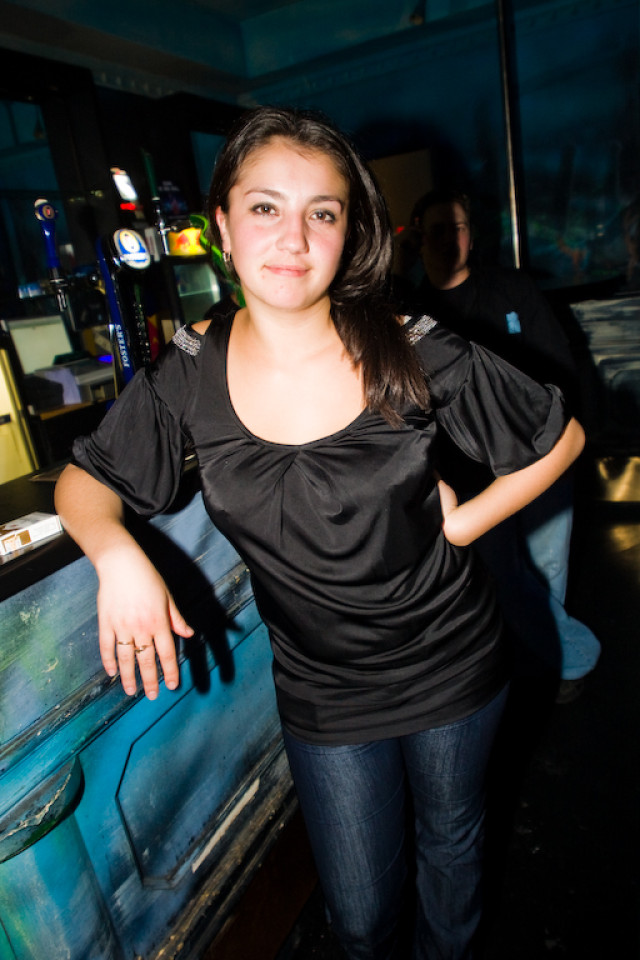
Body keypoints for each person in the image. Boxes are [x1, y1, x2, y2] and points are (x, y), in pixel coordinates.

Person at [55, 107, 585, 960]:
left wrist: (466, 521)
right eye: (265, 207)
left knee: (451, 855)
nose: (293, 238)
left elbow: (558, 437)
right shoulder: (192, 366)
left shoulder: (407, 344)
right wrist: (117, 555)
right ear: (222, 225)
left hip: (451, 661)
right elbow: (85, 480)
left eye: (322, 213)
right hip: (323, 689)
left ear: (351, 232)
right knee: (362, 916)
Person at [396, 187, 600, 699]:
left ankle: (550, 664)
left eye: (458, 228)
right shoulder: (409, 312)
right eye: (437, 230)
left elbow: (562, 367)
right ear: (419, 237)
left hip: (543, 455)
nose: (449, 240)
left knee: (548, 568)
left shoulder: (512, 289)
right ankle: (567, 655)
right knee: (502, 574)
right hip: (469, 473)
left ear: (473, 236)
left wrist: (571, 445)